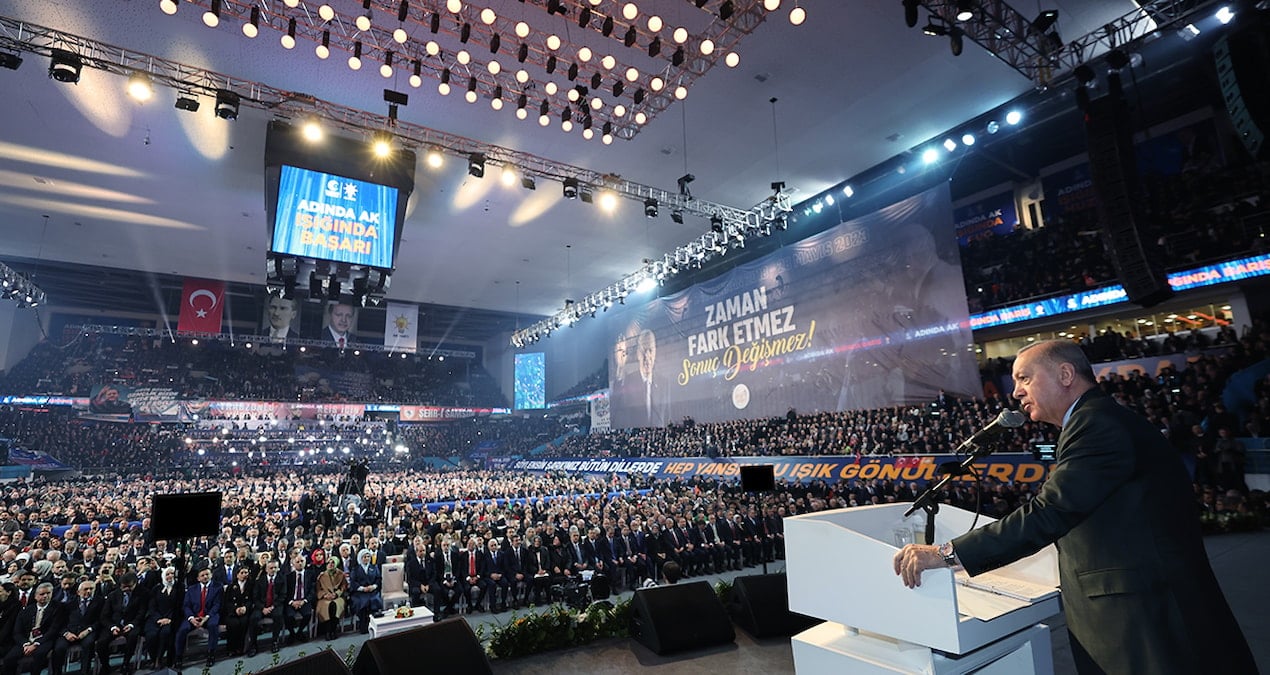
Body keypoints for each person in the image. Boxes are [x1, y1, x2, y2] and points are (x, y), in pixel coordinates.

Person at [892, 339, 1256, 675]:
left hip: (1147, 615)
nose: (1015, 391)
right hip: (1142, 605)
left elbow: (1050, 511)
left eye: (1024, 378)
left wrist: (946, 554)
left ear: (1065, 375)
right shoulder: (1095, 420)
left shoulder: (1097, 425)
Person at [2, 582, 66, 675]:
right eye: (42, 594)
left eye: (48, 593)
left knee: (38, 655)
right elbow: (17, 632)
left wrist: (36, 644)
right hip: (26, 640)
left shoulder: (58, 608)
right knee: (9, 658)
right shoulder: (26, 610)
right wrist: (25, 644)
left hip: (44, 640)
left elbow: (53, 630)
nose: (45, 596)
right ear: (35, 596)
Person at [97, 571, 146, 675]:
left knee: (133, 637)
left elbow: (141, 613)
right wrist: (113, 627)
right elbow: (104, 616)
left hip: (131, 623)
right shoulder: (113, 595)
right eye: (124, 587)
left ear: (135, 584)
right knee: (101, 642)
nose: (126, 589)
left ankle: (126, 664)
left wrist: (131, 625)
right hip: (114, 624)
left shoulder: (143, 594)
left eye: (129, 586)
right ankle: (105, 666)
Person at [174, 566, 221, 670]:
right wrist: (191, 618)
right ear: (198, 578)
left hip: (210, 615)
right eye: (202, 575)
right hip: (194, 616)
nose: (205, 577)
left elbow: (217, 605)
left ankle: (211, 654)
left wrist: (206, 617)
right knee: (182, 630)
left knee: (213, 625)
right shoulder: (191, 589)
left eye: (207, 574)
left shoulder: (218, 587)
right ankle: (178, 658)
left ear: (211, 575)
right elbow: (186, 606)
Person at [143, 567, 182, 669]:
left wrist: (169, 619)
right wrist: (158, 618)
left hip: (172, 619)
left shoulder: (180, 588)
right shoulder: (156, 588)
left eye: (172, 574)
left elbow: (179, 606)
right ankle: (153, 658)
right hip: (156, 618)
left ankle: (159, 659)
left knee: (165, 633)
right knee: (151, 635)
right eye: (167, 574)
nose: (170, 576)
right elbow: (152, 606)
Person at [314, 557, 347, 641]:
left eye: (332, 563)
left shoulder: (341, 574)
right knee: (326, 606)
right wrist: (325, 595)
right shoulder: (321, 575)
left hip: (337, 597)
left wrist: (336, 594)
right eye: (328, 563)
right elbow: (318, 589)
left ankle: (333, 629)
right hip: (324, 597)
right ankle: (327, 631)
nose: (330, 564)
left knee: (335, 605)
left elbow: (343, 587)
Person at [348, 549, 381, 633]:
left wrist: (373, 586)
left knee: (374, 599)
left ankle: (374, 624)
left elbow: (378, 579)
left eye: (368, 556)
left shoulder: (374, 567)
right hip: (359, 593)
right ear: (360, 558)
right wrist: (362, 588)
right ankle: (363, 625)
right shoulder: (355, 569)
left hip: (372, 591)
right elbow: (353, 582)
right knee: (360, 602)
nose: (366, 558)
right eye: (364, 557)